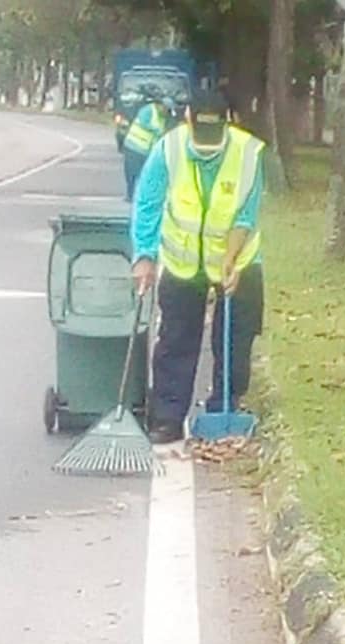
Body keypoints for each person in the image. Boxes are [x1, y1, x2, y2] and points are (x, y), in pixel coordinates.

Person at [131, 90, 265, 444]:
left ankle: (224, 406)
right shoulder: (169, 149)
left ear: (227, 122)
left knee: (236, 337)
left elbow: (246, 214)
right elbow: (148, 202)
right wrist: (144, 255)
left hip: (238, 259)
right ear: (188, 118)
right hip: (183, 262)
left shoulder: (249, 153)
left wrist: (232, 261)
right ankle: (168, 416)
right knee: (176, 338)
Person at [122, 92, 171, 202]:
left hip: (145, 151)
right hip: (133, 146)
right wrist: (158, 131)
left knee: (143, 173)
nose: (165, 111)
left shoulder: (162, 118)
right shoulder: (148, 110)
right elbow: (144, 122)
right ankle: (130, 195)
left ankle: (138, 195)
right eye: (165, 108)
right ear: (159, 105)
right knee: (132, 172)